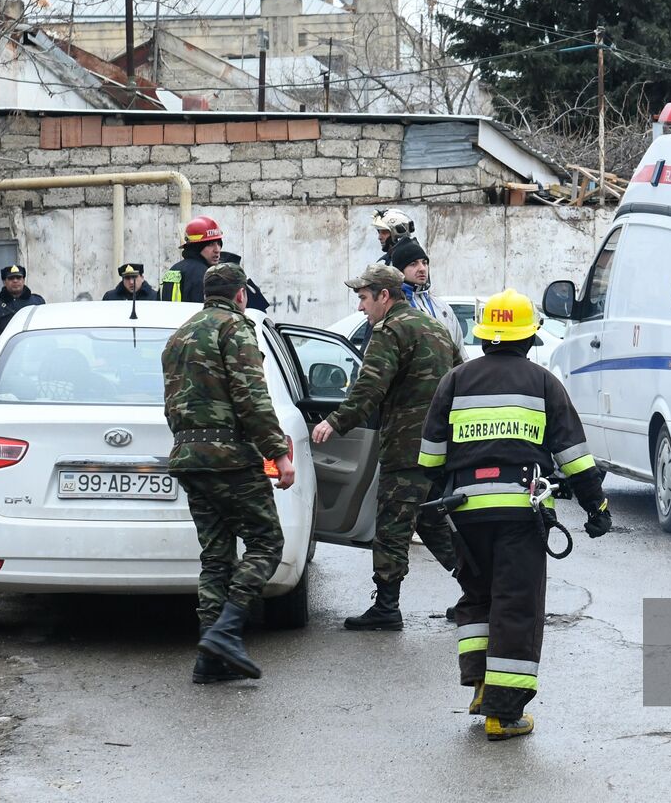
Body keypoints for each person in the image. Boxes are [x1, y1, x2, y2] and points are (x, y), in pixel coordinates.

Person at [418, 289, 612, 741]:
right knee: (516, 606)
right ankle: (503, 716)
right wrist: (596, 508)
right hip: (521, 514)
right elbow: (575, 458)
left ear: (485, 337)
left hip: (464, 514)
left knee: (478, 596)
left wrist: (430, 510)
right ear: (528, 338)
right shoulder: (543, 383)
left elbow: (429, 460)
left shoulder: (455, 381)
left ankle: (481, 686)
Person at [160, 262, 297, 683]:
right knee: (266, 542)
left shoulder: (179, 334)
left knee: (216, 557)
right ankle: (226, 630)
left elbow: (174, 403)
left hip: (189, 456)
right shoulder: (235, 329)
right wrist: (280, 453)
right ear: (240, 295)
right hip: (230, 458)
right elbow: (252, 398)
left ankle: (209, 661)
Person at [311, 264, 464, 630]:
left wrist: (334, 422)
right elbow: (462, 376)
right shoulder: (435, 327)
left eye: (364, 298)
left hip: (408, 446)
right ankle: (481, 591)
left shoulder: (389, 330)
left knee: (393, 526)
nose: (361, 308)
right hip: (444, 444)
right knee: (431, 519)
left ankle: (386, 607)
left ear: (384, 296)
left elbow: (369, 388)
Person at [389, 236, 464, 349]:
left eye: (424, 263)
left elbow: (460, 352)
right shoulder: (393, 308)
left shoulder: (442, 307)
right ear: (400, 271)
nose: (422, 268)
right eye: (413, 264)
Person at [0, 264, 46, 353]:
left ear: (23, 280)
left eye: (18, 278)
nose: (15, 281)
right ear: (4, 282)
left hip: (35, 353)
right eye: (11, 278)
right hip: (8, 357)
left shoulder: (37, 302)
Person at [159, 216, 224, 303]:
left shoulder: (173, 269)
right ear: (197, 247)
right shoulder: (203, 274)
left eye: (219, 243)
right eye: (210, 244)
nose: (217, 250)